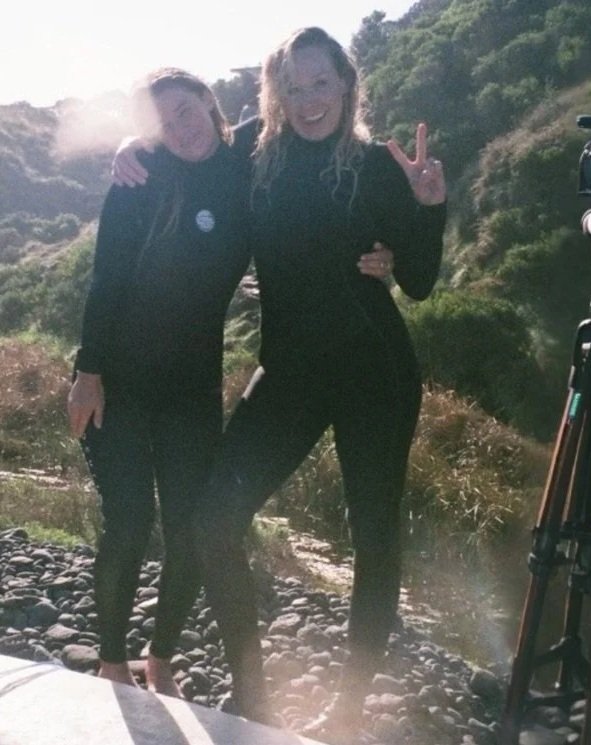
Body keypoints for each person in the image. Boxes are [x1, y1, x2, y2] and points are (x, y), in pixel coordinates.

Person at [111, 27, 446, 737]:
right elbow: (183, 141)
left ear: (346, 86)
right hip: (289, 373)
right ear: (273, 93)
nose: (307, 99)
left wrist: (427, 207)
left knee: (373, 536)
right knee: (212, 521)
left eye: (320, 83)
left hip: (373, 374)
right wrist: (129, 150)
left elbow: (417, 281)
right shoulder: (252, 154)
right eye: (291, 87)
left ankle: (349, 707)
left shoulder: (376, 165)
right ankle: (254, 693)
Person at [68, 66, 394, 699]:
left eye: (187, 110)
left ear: (211, 105)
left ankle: (160, 657)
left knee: (191, 523)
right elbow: (105, 280)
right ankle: (109, 662)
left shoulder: (250, 159)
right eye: (162, 122)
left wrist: (392, 247)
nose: (179, 128)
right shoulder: (141, 178)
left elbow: (319, 188)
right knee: (130, 521)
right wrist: (87, 373)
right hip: (119, 379)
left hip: (191, 386)